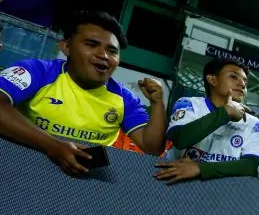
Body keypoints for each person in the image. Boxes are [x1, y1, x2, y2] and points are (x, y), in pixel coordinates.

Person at [0, 10, 167, 174]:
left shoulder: (125, 98)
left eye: (112, 51)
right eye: (91, 45)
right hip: (19, 170)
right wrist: (53, 146)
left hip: (84, 181)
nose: (104, 55)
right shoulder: (37, 71)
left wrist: (158, 103)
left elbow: (152, 147)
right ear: (66, 47)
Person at [153, 59, 259, 184]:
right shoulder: (189, 104)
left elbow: (252, 165)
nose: (242, 84)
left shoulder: (252, 122)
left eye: (245, 81)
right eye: (234, 77)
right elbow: (180, 138)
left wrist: (200, 168)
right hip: (171, 181)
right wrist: (225, 112)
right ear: (212, 80)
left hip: (220, 190)